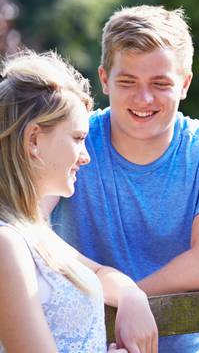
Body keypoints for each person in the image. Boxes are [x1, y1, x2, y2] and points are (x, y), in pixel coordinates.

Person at [48, 6, 199, 353]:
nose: (144, 99)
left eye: (160, 84)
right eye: (128, 82)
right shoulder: (70, 141)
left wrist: (131, 298)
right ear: (104, 79)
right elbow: (28, 231)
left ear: (185, 84)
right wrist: (122, 295)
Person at [0, 51, 158, 352]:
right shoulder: (6, 243)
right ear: (33, 139)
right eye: (77, 138)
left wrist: (130, 294)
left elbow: (98, 273)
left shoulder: (34, 233)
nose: (86, 156)